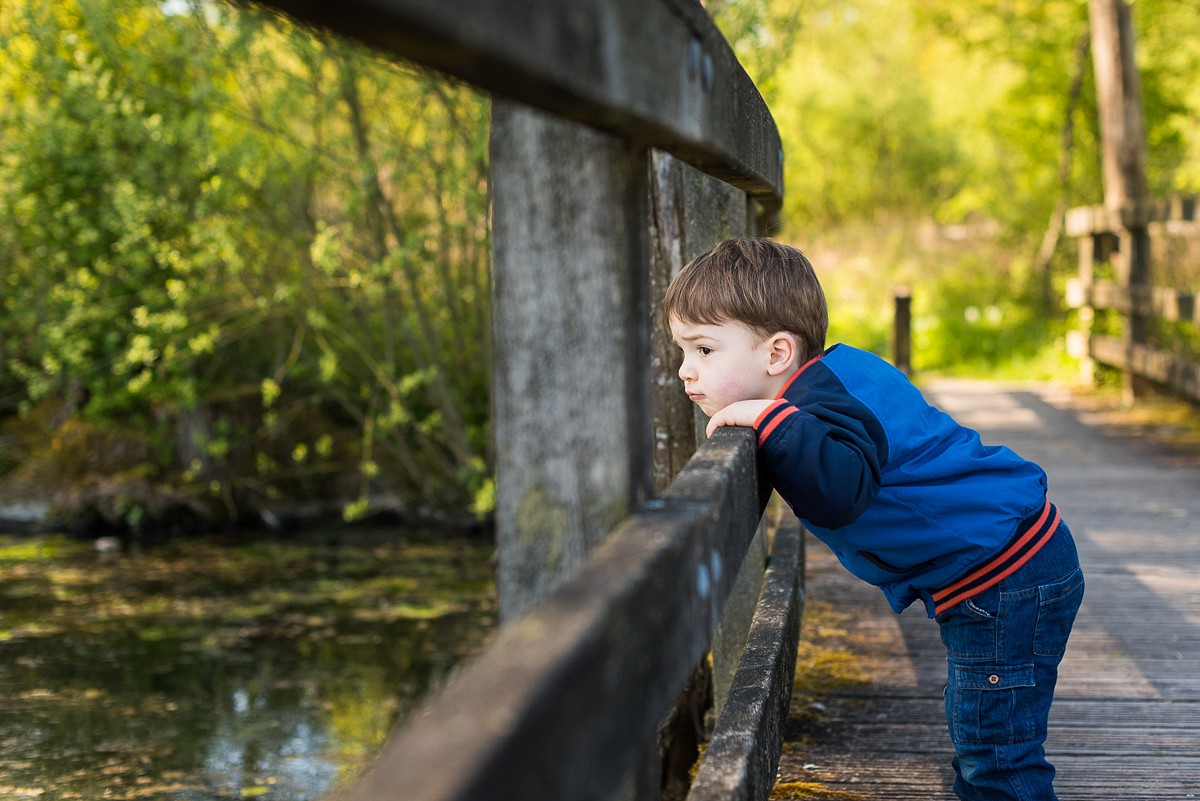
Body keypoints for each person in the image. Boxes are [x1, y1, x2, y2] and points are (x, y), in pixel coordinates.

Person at [663, 237, 1084, 801]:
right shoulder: (834, 378)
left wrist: (770, 420)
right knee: (987, 738)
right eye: (682, 352)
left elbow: (842, 490)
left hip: (1008, 580)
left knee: (997, 756)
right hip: (1011, 565)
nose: (686, 372)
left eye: (704, 351)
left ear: (776, 355)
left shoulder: (829, 400)